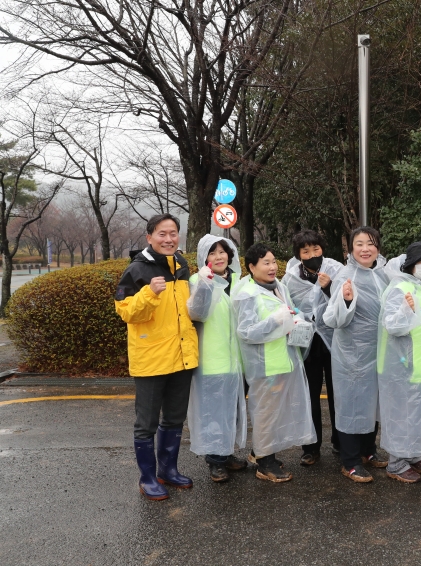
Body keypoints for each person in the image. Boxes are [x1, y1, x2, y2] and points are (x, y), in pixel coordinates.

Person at [115, 213, 198, 501]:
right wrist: (149, 293)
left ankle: (168, 470)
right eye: (162, 234)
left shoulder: (182, 265)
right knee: (146, 422)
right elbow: (125, 311)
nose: (169, 239)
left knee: (175, 418)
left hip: (181, 356)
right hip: (151, 359)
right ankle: (147, 477)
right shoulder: (136, 269)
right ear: (149, 237)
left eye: (173, 233)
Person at [232, 243, 316, 482]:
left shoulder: (277, 286)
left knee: (276, 413)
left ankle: (262, 453)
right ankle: (265, 463)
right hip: (264, 365)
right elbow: (246, 332)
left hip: (285, 359)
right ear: (251, 267)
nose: (271, 267)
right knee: (265, 413)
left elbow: (289, 310)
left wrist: (297, 318)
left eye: (273, 262)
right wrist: (277, 321)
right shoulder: (247, 294)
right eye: (265, 263)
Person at [323, 227, 389, 483]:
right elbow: (332, 318)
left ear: (378, 248)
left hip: (379, 350)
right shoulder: (345, 276)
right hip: (352, 353)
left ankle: (368, 451)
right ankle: (349, 460)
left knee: (372, 402)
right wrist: (346, 301)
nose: (365, 248)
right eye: (359, 244)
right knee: (351, 403)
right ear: (350, 248)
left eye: (371, 244)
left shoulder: (382, 275)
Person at [377, 242, 421, 483]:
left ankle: (412, 454)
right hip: (402, 365)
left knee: (417, 412)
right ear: (410, 265)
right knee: (401, 413)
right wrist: (406, 311)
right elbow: (393, 325)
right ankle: (396, 462)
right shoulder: (399, 288)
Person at [186, 235, 248, 483]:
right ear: (204, 258)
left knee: (232, 410)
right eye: (212, 253)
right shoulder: (197, 280)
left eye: (223, 252)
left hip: (238, 360)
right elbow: (197, 314)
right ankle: (215, 460)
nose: (219, 257)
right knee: (213, 412)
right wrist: (204, 284)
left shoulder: (240, 282)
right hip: (213, 359)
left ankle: (227, 452)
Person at [283, 230, 344, 465]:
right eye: (305, 251)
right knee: (309, 396)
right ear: (298, 255)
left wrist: (328, 288)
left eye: (316, 249)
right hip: (306, 342)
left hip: (334, 341)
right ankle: (311, 447)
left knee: (338, 394)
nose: (312, 254)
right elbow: (288, 307)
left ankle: (340, 442)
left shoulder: (335, 270)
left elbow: (344, 303)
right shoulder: (290, 278)